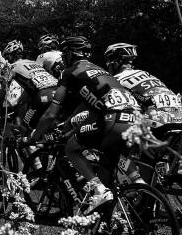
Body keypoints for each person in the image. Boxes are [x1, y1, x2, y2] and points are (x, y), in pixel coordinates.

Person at [31, 36, 140, 214]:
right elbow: (88, 105)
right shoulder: (100, 70)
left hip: (114, 118)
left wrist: (35, 137)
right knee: (109, 165)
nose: (62, 59)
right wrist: (68, 124)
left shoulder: (70, 72)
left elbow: (52, 113)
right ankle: (127, 203)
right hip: (135, 118)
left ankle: (99, 190)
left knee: (71, 148)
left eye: (64, 55)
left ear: (70, 54)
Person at [104, 42, 182, 134]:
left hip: (156, 122)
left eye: (109, 60)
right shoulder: (145, 73)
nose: (107, 64)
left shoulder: (117, 79)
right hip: (179, 117)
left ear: (117, 61)